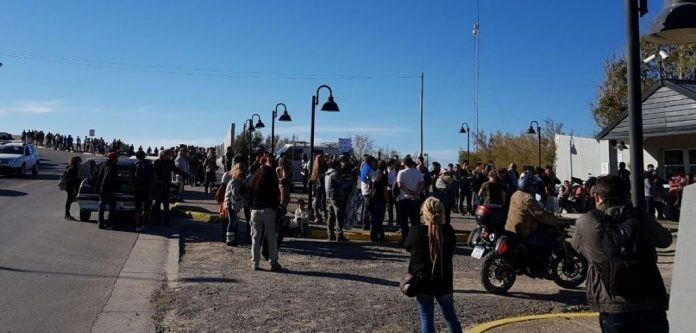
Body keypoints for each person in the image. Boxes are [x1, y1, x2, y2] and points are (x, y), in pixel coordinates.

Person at [572, 175, 672, 333]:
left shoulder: (586, 221)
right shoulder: (639, 216)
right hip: (650, 299)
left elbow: (577, 247)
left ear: (597, 197)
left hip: (612, 304)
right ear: (627, 194)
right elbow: (665, 240)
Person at [404, 197, 462, 333]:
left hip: (422, 281)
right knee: (450, 317)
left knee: (426, 318)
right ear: (442, 213)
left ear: (424, 213)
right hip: (444, 280)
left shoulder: (416, 231)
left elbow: (407, 246)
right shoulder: (448, 231)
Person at [505, 172, 558, 273]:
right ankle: (542, 269)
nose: (535, 189)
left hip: (510, 229)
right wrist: (556, 221)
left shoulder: (515, 194)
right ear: (528, 186)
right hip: (523, 233)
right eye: (533, 187)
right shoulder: (528, 198)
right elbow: (540, 214)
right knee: (548, 243)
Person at [248, 162, 282, 271]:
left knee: (255, 238)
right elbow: (275, 197)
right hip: (268, 210)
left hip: (254, 210)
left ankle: (255, 262)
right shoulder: (271, 182)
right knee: (271, 238)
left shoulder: (254, 181)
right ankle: (273, 262)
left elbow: (248, 195)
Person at [153, 150, 188, 226]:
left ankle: (166, 222)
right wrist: (157, 180)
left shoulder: (170, 162)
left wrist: (185, 174)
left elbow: (176, 170)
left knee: (166, 205)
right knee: (157, 205)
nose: (169, 156)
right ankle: (157, 221)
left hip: (166, 186)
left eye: (169, 155)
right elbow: (153, 173)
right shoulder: (157, 162)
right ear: (164, 155)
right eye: (168, 155)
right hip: (158, 186)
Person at [397, 156, 424, 243]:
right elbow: (422, 183)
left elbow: (400, 185)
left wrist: (409, 192)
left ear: (404, 164)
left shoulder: (401, 172)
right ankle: (416, 239)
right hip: (415, 199)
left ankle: (405, 239)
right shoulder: (417, 172)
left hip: (404, 199)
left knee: (404, 221)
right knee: (415, 221)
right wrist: (417, 193)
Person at [325, 160, 348, 241]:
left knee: (330, 216)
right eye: (340, 166)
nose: (341, 167)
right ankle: (339, 235)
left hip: (328, 197)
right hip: (336, 198)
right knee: (339, 216)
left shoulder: (327, 174)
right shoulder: (335, 174)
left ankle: (330, 234)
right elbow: (343, 184)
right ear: (336, 166)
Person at [224, 163, 246, 246]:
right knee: (232, 222)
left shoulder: (236, 181)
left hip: (234, 204)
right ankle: (229, 240)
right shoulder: (234, 182)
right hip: (231, 204)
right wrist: (243, 197)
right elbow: (236, 195)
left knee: (234, 222)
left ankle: (232, 237)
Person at [131, 150, 154, 230]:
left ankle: (138, 225)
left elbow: (131, 177)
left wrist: (133, 186)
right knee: (146, 208)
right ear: (144, 156)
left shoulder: (134, 164)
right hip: (146, 189)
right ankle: (143, 223)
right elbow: (152, 177)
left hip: (137, 189)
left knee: (137, 208)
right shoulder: (149, 164)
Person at [96, 153, 119, 229]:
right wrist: (113, 190)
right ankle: (110, 223)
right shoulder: (112, 166)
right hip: (109, 189)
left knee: (101, 206)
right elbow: (111, 180)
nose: (117, 160)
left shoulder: (103, 164)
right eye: (116, 158)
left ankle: (100, 223)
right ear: (113, 158)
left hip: (102, 188)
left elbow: (99, 176)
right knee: (113, 206)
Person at [368, 160, 389, 242]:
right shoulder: (383, 176)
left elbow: (370, 187)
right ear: (384, 167)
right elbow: (385, 190)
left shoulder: (373, 174)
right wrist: (387, 200)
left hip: (372, 198)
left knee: (375, 219)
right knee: (378, 219)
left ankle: (381, 236)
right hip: (380, 200)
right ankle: (373, 237)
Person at [310, 154, 328, 224]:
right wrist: (326, 174)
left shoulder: (325, 165)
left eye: (323, 158)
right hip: (319, 186)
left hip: (324, 185)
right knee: (317, 201)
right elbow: (318, 176)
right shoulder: (317, 167)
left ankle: (323, 217)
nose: (323, 159)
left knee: (323, 202)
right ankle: (317, 216)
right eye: (321, 158)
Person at [63, 156, 82, 220]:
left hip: (68, 186)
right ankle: (67, 214)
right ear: (76, 162)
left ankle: (67, 214)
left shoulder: (70, 168)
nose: (80, 162)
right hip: (71, 186)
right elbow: (75, 179)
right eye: (79, 161)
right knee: (69, 200)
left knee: (69, 200)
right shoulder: (75, 169)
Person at [359, 156, 376, 231]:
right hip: (368, 191)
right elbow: (372, 181)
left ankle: (365, 224)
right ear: (371, 161)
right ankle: (366, 224)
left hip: (364, 190)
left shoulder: (363, 168)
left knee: (365, 208)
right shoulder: (370, 170)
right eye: (373, 161)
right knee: (368, 209)